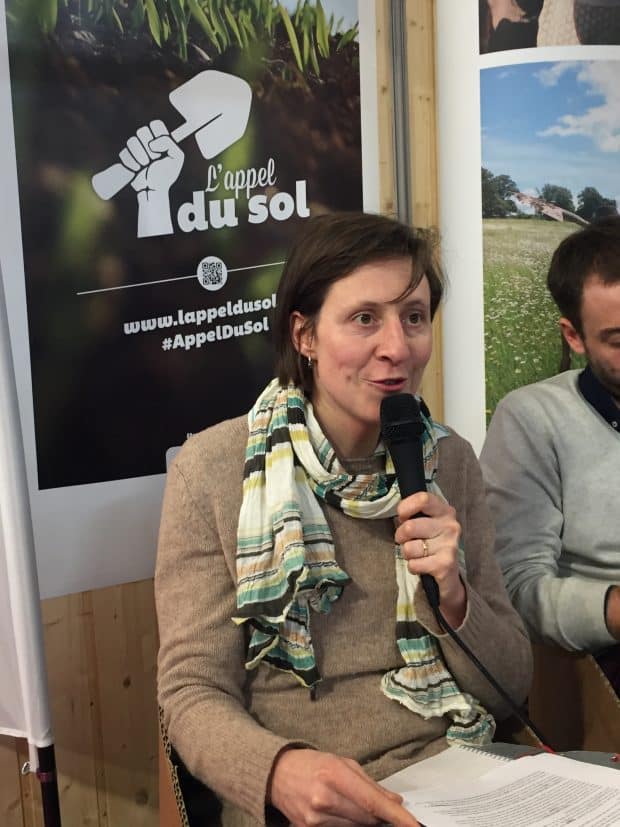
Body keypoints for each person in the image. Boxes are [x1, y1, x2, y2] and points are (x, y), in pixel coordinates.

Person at [155, 211, 533, 827]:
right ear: (304, 336)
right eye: (365, 319)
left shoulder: (449, 459)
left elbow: (509, 685)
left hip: (459, 774)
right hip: (312, 799)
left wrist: (456, 595)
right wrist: (278, 771)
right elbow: (192, 692)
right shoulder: (215, 470)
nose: (397, 346)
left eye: (414, 317)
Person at [480, 216, 620, 693]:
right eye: (619, 340)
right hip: (601, 664)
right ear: (573, 336)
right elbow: (514, 593)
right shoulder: (532, 419)